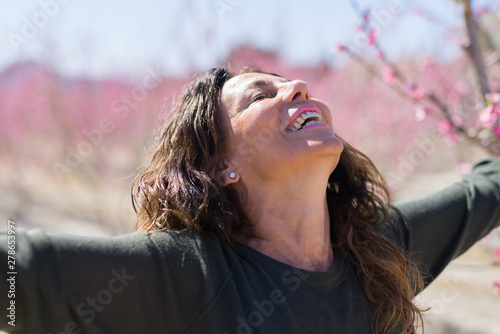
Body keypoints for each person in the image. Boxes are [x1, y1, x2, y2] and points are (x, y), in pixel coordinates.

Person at [1, 67, 499, 334]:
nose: (297, 87)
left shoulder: (381, 252)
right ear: (221, 167)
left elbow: (488, 191)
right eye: (261, 95)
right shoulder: (192, 276)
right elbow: (20, 272)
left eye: (293, 86)